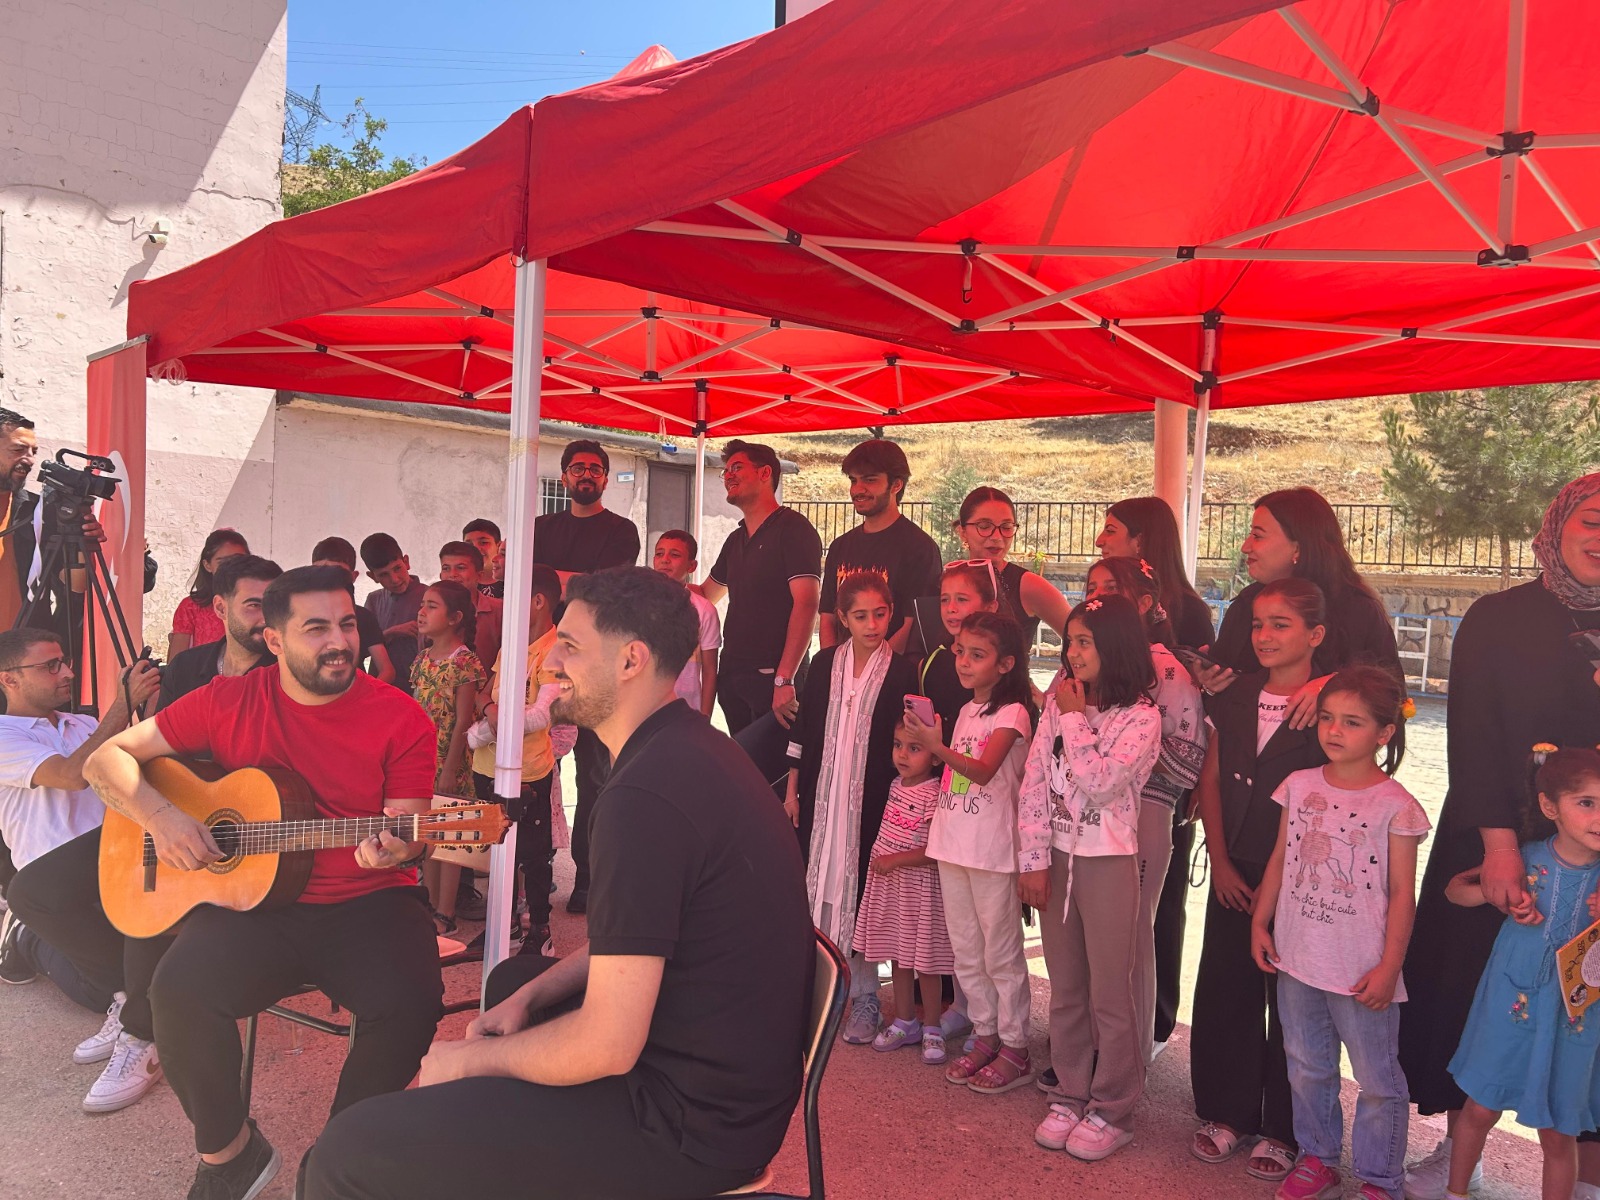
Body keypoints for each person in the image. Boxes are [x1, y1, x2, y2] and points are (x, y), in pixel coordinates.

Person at [303, 566, 814, 1200]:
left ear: (631, 660)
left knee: (346, 1152)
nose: (551, 664)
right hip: (729, 1089)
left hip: (686, 1127)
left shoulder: (646, 796)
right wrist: (526, 999)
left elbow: (606, 1044)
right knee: (514, 985)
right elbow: (638, 941)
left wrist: (468, 1063)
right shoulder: (691, 748)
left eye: (570, 646)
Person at [82, 565, 444, 1200]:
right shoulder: (229, 700)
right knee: (178, 993)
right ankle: (229, 1156)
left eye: (347, 623)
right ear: (273, 640)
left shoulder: (401, 716)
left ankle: (337, 1166)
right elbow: (104, 759)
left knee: (410, 1006)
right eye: (316, 628)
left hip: (370, 901)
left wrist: (401, 847)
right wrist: (160, 815)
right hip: (254, 902)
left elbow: (411, 828)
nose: (340, 641)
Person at [1401, 474, 1600, 1200]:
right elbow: (1474, 736)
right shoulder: (1499, 617)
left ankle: (1586, 1180)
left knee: (1593, 1008)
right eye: (1592, 519)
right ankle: (1461, 1152)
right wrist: (1501, 846)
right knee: (1471, 989)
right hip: (1495, 830)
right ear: (1558, 526)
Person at [1251, 667, 1428, 1200]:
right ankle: (1318, 1158)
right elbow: (1281, 857)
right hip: (1298, 959)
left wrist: (1389, 966)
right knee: (1307, 1066)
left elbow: (1402, 893)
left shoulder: (1396, 805)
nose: (1333, 730)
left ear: (1384, 732)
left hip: (1361, 970)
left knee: (1377, 1080)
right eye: (1327, 718)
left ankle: (1380, 1179)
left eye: (1352, 722)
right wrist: (1260, 920)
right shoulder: (1298, 786)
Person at [1190, 579, 1331, 1184]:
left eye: (1281, 624)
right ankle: (1228, 1109)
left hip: (1300, 877)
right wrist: (1219, 860)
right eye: (1257, 625)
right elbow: (1213, 780)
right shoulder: (1236, 694)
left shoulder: (1330, 705)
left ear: (1315, 636)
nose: (1265, 636)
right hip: (1237, 869)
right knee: (1227, 987)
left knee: (1293, 1003)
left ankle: (1286, 1127)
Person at [1019, 595, 1162, 1163]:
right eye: (1069, 640)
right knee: (1066, 986)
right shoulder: (1059, 704)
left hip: (1108, 861)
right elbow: (1035, 780)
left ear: (1117, 646)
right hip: (1055, 858)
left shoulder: (1142, 718)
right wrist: (1031, 859)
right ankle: (1070, 1091)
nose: (1071, 652)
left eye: (1084, 641)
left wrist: (1075, 718)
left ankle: (1113, 1107)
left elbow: (1102, 782)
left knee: (1111, 991)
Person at [0, 628, 164, 1113]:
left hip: (109, 866)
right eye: (50, 666)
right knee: (112, 979)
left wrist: (146, 707)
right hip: (52, 887)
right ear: (8, 679)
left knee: (112, 984)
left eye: (65, 661)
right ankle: (28, 938)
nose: (67, 672)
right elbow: (74, 775)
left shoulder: (79, 723)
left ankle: (128, 1007)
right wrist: (121, 704)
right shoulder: (3, 735)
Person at [1443, 745, 1600, 1200]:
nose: (1598, 817)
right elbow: (1455, 892)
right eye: (1586, 803)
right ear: (1550, 806)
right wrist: (1498, 896)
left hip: (1574, 1021)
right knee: (1479, 1109)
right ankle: (1455, 1192)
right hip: (1510, 1007)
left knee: (1558, 1131)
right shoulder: (1526, 858)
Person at [1097, 501, 1214, 1051]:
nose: (1100, 539)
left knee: (1156, 906)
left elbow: (1194, 713)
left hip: (1160, 792)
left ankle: (1152, 1020)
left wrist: (1180, 784)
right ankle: (1110, 1029)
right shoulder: (1096, 635)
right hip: (1103, 797)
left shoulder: (1185, 616)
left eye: (1112, 531)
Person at [783, 571, 918, 1044]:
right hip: (821, 796)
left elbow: (909, 742)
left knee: (861, 891)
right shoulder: (822, 664)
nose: (872, 624)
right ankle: (814, 992)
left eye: (880, 614)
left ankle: (863, 995)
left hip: (872, 801)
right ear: (842, 618)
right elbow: (804, 730)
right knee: (816, 885)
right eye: (860, 615)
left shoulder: (903, 671)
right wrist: (792, 789)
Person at [905, 611, 1036, 1095]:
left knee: (1000, 952)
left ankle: (1016, 1046)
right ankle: (985, 1035)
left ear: (1005, 664)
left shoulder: (1014, 713)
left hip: (993, 850)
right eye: (959, 651)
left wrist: (934, 746)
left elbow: (982, 771)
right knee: (966, 950)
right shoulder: (965, 712)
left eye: (976, 655)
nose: (962, 661)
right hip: (954, 843)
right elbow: (960, 777)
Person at [532, 439, 642, 917]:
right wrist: (571, 577)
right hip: (540, 663)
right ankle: (534, 877)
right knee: (535, 773)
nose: (587, 475)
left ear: (604, 478)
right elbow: (534, 583)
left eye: (596, 469)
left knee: (595, 776)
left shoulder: (622, 530)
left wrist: (550, 578)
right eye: (578, 468)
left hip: (595, 667)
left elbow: (604, 588)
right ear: (564, 477)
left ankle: (589, 878)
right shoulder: (540, 526)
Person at [1203, 487, 1399, 727]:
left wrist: (1331, 687)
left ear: (1298, 547)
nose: (1246, 547)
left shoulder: (1358, 611)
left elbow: (1392, 696)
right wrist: (1210, 683)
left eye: (1258, 535)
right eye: (1259, 625)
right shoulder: (1247, 604)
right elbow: (1226, 705)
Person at [467, 565, 563, 954]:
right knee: (496, 848)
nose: (506, 607)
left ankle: (540, 931)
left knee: (533, 856)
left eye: (514, 599)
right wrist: (489, 713)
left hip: (529, 770)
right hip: (487, 765)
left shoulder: (558, 651)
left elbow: (542, 714)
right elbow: (482, 697)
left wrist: (489, 722)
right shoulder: (511, 646)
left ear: (537, 601)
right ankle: (502, 926)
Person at [702, 439, 823, 735]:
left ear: (765, 473)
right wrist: (656, 585)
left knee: (774, 778)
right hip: (732, 677)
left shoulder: (794, 529)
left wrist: (784, 679)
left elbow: (807, 604)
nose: (728, 475)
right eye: (726, 471)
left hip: (774, 682)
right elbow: (706, 595)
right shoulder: (735, 539)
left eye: (737, 467)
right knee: (744, 773)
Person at [852, 718, 954, 1064]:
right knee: (898, 955)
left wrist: (895, 861)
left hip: (920, 889)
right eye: (898, 745)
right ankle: (905, 1020)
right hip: (892, 888)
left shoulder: (934, 792)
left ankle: (933, 1027)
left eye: (914, 748)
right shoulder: (896, 785)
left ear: (936, 756)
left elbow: (935, 851)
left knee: (925, 961)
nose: (903, 755)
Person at [409, 580, 487, 936]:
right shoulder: (423, 659)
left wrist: (450, 768)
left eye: (432, 606)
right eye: (422, 604)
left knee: (450, 836)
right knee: (428, 832)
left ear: (455, 618)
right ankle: (428, 902)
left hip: (450, 761)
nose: (422, 612)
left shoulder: (465, 662)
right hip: (422, 759)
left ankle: (446, 912)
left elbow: (462, 721)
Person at [818, 439, 942, 655]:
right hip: (842, 676)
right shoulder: (839, 546)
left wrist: (872, 671)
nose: (857, 489)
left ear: (896, 485)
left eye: (869, 480)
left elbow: (911, 625)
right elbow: (828, 615)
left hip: (893, 677)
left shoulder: (920, 548)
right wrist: (832, 665)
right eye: (853, 480)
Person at [156, 555, 282, 710]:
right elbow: (160, 732)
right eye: (254, 605)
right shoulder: (184, 668)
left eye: (273, 605)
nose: (265, 618)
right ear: (221, 608)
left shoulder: (289, 674)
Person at [952, 486, 1069, 651]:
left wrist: (1067, 676)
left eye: (1006, 527)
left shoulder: (1029, 585)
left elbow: (1082, 639)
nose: (997, 537)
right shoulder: (949, 581)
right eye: (984, 526)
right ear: (962, 532)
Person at [1096, 496, 1216, 649]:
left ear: (1139, 541)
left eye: (1110, 531)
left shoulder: (1189, 612)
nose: (1099, 541)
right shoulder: (1106, 598)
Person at [919, 559, 998, 742]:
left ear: (990, 607)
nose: (951, 609)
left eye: (961, 599)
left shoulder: (1000, 665)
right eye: (944, 600)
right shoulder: (932, 662)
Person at [651, 529, 719, 717]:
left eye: (675, 555)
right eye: (659, 554)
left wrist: (704, 720)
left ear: (692, 566)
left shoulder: (704, 611)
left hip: (685, 711)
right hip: (640, 714)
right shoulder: (635, 604)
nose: (665, 559)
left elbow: (710, 670)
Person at [310, 538, 395, 685]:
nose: (329, 579)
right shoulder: (301, 613)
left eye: (348, 625)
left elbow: (387, 670)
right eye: (322, 571)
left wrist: (365, 698)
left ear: (353, 576)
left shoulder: (363, 617)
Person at [359, 533, 428, 690]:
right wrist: (392, 632)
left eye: (397, 568)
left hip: (421, 690)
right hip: (383, 688)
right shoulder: (373, 600)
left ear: (406, 562)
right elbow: (361, 649)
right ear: (372, 576)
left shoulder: (431, 596)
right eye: (384, 575)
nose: (395, 579)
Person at [167, 529, 249, 659]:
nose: (231, 568)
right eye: (222, 562)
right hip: (203, 678)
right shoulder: (191, 607)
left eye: (238, 561)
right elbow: (176, 663)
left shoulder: (259, 603)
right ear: (207, 565)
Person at [439, 540, 502, 683]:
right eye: (446, 568)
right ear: (440, 575)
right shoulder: (432, 612)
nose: (452, 575)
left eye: (460, 568)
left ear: (479, 575)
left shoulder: (500, 611)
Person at [462, 519, 504, 598]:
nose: (475, 548)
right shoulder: (459, 584)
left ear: (499, 546)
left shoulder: (513, 583)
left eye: (483, 542)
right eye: (469, 544)